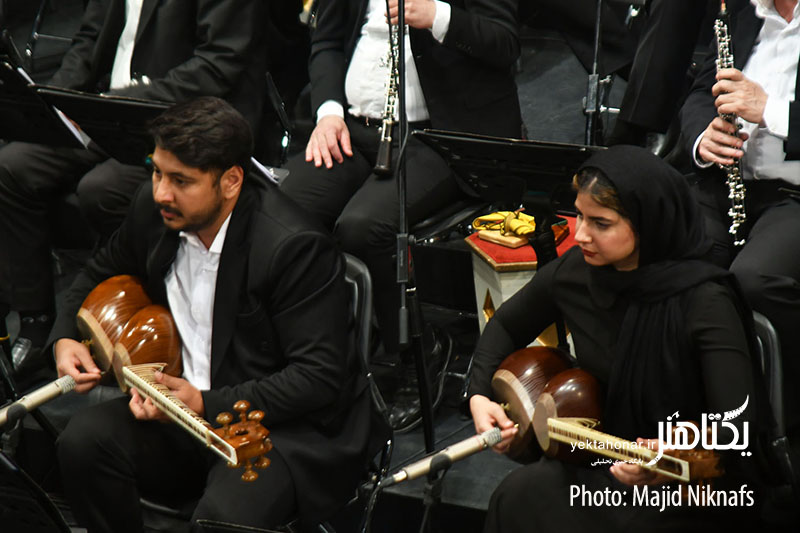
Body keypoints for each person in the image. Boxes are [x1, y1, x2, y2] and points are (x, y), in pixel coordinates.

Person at [48, 97, 381, 531]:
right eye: (156, 172)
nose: (161, 192)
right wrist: (64, 336)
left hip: (278, 428)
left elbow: (317, 378)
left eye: (181, 181)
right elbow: (101, 268)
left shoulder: (292, 246)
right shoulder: (157, 210)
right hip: (185, 411)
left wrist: (205, 403)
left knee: (220, 521)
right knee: (82, 444)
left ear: (231, 181)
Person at [469, 146, 764, 531]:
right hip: (602, 462)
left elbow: (735, 426)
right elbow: (507, 325)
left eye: (601, 223)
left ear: (647, 224)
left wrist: (673, 454)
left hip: (690, 482)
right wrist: (478, 395)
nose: (580, 234)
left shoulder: (705, 302)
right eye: (579, 215)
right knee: (516, 496)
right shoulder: (576, 273)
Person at [282, 0, 523, 430]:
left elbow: (505, 43)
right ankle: (321, 349)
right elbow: (327, 40)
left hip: (441, 136)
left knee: (364, 227)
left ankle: (418, 350)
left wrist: (439, 16)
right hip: (353, 128)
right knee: (285, 211)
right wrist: (328, 113)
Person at [0, 0, 268, 381]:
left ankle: (137, 320)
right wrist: (54, 99)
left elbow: (218, 63)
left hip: (179, 122)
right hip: (102, 109)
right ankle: (37, 321)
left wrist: (126, 100)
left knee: (101, 189)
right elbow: (89, 38)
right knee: (12, 168)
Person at [679, 0, 800, 432]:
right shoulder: (742, 10)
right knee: (664, 258)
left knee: (754, 279)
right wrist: (703, 136)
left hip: (794, 196)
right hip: (727, 184)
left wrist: (771, 109)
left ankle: (778, 425)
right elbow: (701, 91)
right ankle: (684, 415)